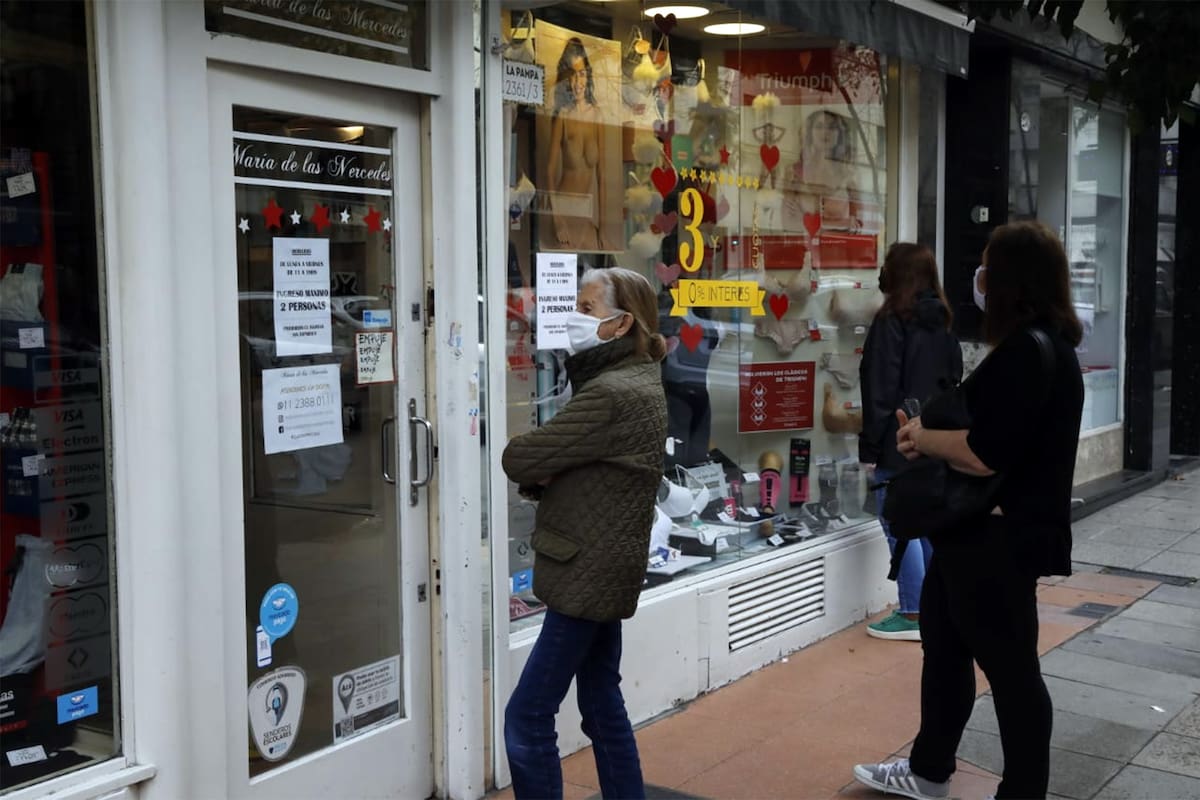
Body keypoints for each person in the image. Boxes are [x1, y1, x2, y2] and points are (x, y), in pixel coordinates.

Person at [853, 222, 1085, 799]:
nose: (977, 277)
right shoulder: (1043, 348)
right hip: (975, 537)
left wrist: (924, 440)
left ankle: (1020, 789)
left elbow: (985, 454)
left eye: (987, 265)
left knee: (1011, 675)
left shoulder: (1028, 354)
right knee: (947, 648)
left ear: (1009, 280)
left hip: (996, 541)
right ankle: (930, 770)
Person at [502, 267, 668, 800]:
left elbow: (520, 455)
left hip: (587, 571)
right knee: (600, 702)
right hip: (607, 562)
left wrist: (546, 468)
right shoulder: (636, 377)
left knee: (526, 716)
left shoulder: (612, 393)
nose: (575, 317)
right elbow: (566, 460)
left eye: (588, 307)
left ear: (621, 325)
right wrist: (556, 467)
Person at [859, 243, 962, 641]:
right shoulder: (944, 320)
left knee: (899, 523)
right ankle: (936, 604)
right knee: (928, 523)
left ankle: (914, 611)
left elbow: (879, 388)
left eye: (886, 267)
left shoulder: (891, 321)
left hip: (896, 437)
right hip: (933, 436)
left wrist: (869, 448)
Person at [547, 38, 613, 251]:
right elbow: (549, 173)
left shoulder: (597, 116)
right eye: (572, 75)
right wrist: (557, 221)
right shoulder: (563, 117)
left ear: (588, 75)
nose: (577, 82)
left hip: (585, 212)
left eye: (582, 73)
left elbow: (602, 176)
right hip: (563, 211)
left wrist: (603, 226)